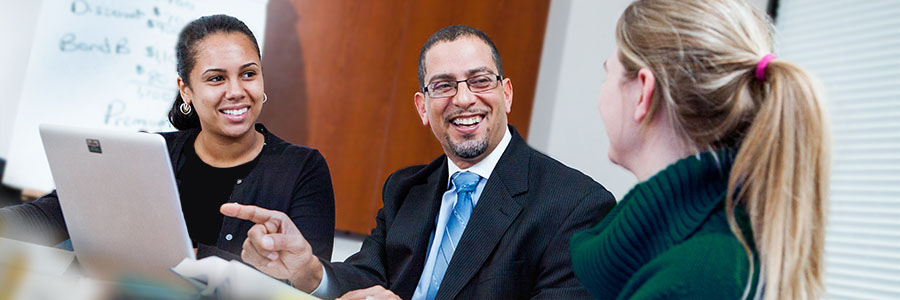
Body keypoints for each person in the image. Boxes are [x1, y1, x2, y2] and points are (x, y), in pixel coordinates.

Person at [221, 25, 616, 300]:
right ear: (423, 107)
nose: (463, 99)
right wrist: (306, 268)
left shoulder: (575, 206)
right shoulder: (405, 189)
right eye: (443, 85)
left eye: (479, 80)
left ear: (506, 94)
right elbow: (368, 278)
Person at [0, 15, 335, 261]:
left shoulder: (302, 169)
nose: (237, 92)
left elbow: (307, 278)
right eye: (216, 79)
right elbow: (56, 214)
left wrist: (186, 257)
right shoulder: (145, 153)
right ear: (185, 90)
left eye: (248, 74)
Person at [568, 0, 831, 299]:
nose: (601, 94)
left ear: (642, 91)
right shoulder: (706, 248)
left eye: (608, 75)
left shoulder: (695, 280)